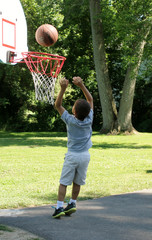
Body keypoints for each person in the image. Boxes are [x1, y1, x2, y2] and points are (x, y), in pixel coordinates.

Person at [52, 76, 94, 218]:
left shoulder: (70, 120)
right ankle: (72, 203)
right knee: (77, 182)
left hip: (72, 156)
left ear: (74, 112)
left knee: (64, 182)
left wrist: (63, 89)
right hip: (85, 156)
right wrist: (82, 85)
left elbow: (58, 105)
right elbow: (90, 100)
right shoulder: (89, 119)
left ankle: (59, 208)